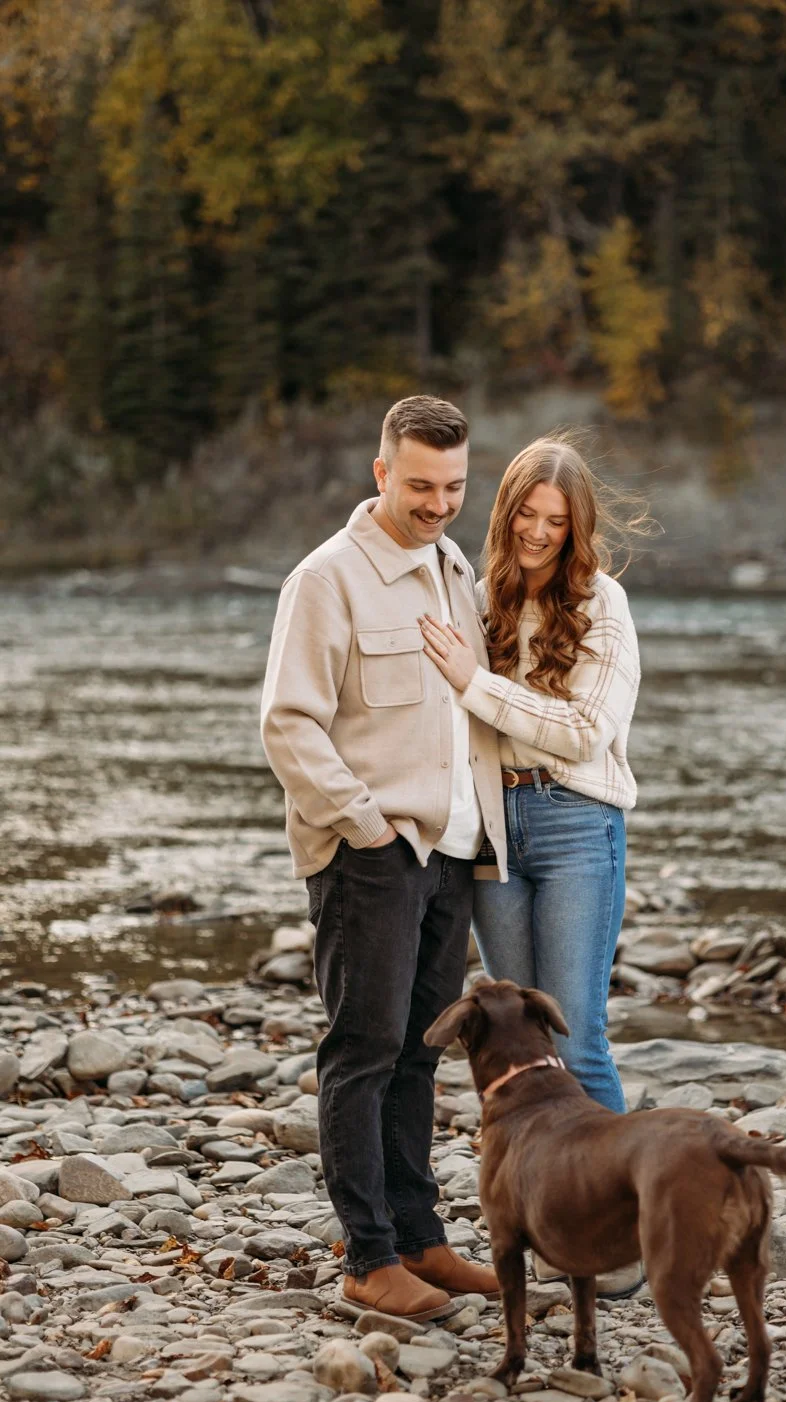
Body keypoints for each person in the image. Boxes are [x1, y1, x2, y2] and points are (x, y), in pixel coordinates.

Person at [261, 395, 505, 1321]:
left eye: (454, 486)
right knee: (361, 1051)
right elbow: (288, 724)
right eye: (420, 485)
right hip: (374, 853)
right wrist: (365, 826)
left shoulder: (452, 568)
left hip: (449, 854)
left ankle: (421, 1240)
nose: (440, 503)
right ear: (380, 474)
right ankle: (368, 1258)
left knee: (418, 1058)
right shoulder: (327, 579)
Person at [419, 435, 644, 1297]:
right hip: (492, 828)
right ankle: (545, 1218)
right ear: (505, 509)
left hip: (578, 822)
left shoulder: (606, 605)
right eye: (526, 514)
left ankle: (620, 1235)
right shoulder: (480, 598)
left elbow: (583, 731)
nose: (540, 533)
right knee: (518, 1041)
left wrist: (476, 683)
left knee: (576, 1033)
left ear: (577, 527)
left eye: (557, 521)